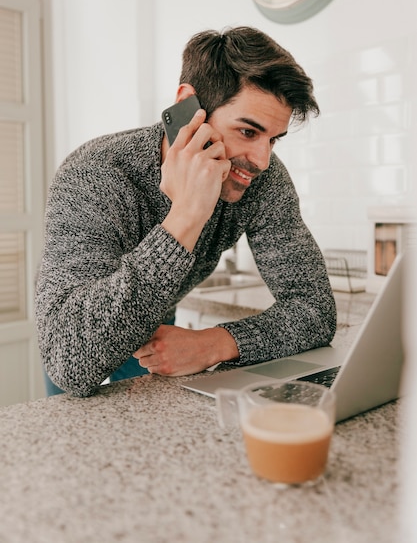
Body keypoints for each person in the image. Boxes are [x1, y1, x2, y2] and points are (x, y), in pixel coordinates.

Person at [35, 26, 337, 397]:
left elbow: (315, 310)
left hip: (157, 315)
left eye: (273, 139)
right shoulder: (94, 175)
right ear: (187, 107)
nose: (262, 160)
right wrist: (187, 214)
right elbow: (70, 361)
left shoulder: (263, 177)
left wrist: (216, 342)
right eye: (247, 132)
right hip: (79, 324)